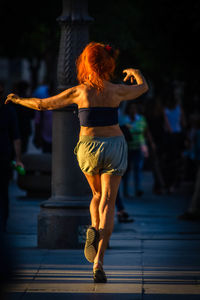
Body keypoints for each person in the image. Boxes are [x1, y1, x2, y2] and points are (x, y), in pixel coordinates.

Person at [5, 42, 148, 283]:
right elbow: (143, 88)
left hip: (89, 147)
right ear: (107, 64)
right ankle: (99, 262)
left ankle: (93, 226)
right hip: (114, 144)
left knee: (94, 195)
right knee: (108, 203)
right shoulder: (116, 90)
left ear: (86, 64)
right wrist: (136, 73)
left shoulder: (79, 92)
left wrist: (18, 100)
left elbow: (43, 105)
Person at [0, 81, 24, 232]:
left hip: (4, 157)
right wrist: (18, 159)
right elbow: (16, 138)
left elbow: (16, 137)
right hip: (4, 156)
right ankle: (2, 223)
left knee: (3, 192)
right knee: (3, 193)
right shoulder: (9, 111)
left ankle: (2, 223)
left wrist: (18, 159)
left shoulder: (9, 111)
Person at [123, 102, 153, 197]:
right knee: (126, 170)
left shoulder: (141, 119)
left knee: (138, 168)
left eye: (134, 108)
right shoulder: (124, 120)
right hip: (127, 148)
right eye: (131, 109)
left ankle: (138, 189)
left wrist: (151, 144)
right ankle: (125, 191)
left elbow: (146, 132)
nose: (133, 110)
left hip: (139, 147)